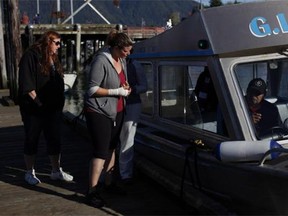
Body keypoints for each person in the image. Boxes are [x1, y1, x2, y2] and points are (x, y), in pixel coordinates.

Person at [84, 30, 133, 208]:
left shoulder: (122, 60)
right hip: (99, 111)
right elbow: (91, 90)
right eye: (125, 51)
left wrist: (125, 88)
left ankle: (109, 183)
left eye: (129, 51)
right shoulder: (101, 60)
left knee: (112, 148)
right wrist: (116, 92)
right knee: (100, 152)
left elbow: (121, 82)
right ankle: (92, 191)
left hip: (117, 110)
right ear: (115, 48)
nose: (128, 54)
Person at [18, 31, 73, 185]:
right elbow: (27, 85)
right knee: (32, 138)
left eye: (59, 43)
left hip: (53, 108)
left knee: (54, 138)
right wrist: (39, 103)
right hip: (34, 108)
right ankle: (29, 172)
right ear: (47, 41)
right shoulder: (30, 56)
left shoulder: (53, 57)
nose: (58, 46)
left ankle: (56, 170)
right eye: (56, 43)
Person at [118, 55, 148, 184]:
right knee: (114, 138)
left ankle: (125, 174)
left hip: (132, 104)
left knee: (128, 138)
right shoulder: (109, 62)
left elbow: (144, 86)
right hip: (114, 105)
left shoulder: (135, 64)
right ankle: (108, 170)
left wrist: (132, 89)